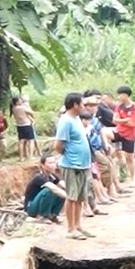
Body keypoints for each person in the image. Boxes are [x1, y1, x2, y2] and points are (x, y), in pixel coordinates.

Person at [52, 93, 93, 239]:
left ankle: (78, 225)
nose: (83, 107)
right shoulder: (66, 121)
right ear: (75, 105)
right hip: (72, 165)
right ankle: (70, 229)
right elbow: (58, 145)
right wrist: (69, 156)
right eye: (82, 104)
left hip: (82, 164)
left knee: (80, 197)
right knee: (72, 197)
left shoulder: (75, 119)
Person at [22, 153, 69, 221]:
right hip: (31, 207)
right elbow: (54, 188)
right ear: (42, 165)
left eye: (54, 163)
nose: (53, 165)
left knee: (61, 191)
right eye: (50, 163)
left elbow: (63, 184)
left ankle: (53, 215)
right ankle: (43, 216)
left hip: (39, 204)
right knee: (49, 190)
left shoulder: (52, 176)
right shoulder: (38, 177)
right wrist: (70, 197)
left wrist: (75, 193)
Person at [113, 86, 135, 176]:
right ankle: (122, 173)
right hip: (119, 131)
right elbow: (114, 120)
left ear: (125, 95)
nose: (118, 97)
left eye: (120, 95)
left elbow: (133, 123)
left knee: (130, 157)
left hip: (130, 134)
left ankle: (132, 177)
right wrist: (125, 120)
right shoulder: (119, 106)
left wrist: (120, 120)